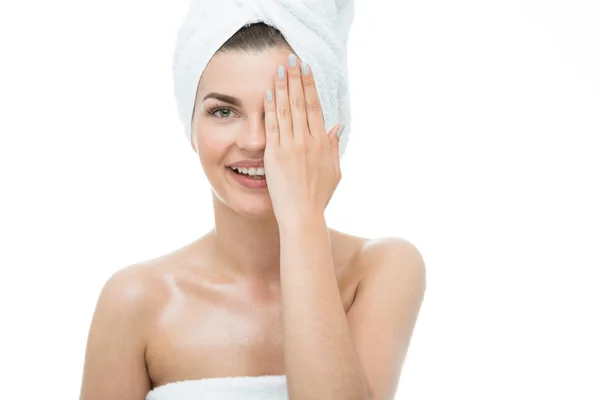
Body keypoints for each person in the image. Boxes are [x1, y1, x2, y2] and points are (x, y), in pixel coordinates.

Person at [79, 21, 426, 400]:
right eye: (224, 112)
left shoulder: (380, 268)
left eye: (284, 114)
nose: (255, 140)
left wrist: (302, 220)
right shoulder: (135, 299)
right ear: (190, 126)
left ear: (328, 129)